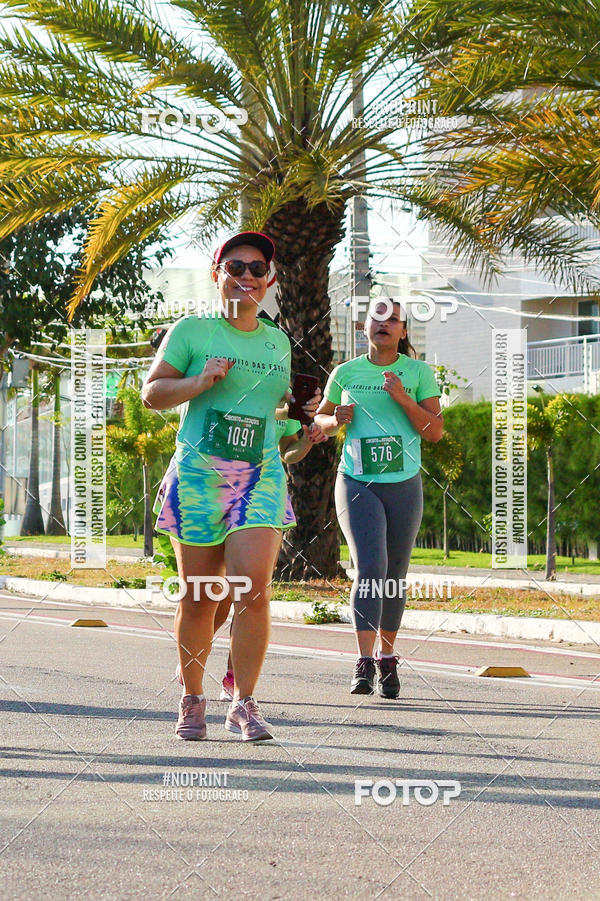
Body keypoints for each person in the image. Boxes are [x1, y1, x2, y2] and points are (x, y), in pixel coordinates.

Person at [142, 230, 320, 741]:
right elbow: (153, 392)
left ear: (271, 279)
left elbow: (272, 417)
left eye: (257, 268)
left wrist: (298, 425)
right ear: (216, 275)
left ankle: (243, 703)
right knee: (199, 597)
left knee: (253, 591)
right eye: (235, 267)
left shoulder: (277, 341)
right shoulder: (192, 331)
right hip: (199, 476)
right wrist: (200, 381)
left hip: (259, 476)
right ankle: (192, 697)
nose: (246, 276)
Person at [315, 299, 443, 698]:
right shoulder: (346, 372)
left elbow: (434, 431)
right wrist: (336, 419)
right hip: (356, 481)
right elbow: (319, 420)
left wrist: (403, 397)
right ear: (364, 327)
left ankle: (388, 659)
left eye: (393, 320)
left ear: (404, 331)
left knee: (395, 575)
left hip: (403, 483)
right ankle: (364, 661)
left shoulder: (419, 372)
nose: (384, 325)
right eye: (377, 318)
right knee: (370, 568)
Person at [193, 416, 328, 700]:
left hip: (258, 498)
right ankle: (193, 656)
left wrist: (305, 441)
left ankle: (235, 680)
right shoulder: (227, 383)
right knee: (214, 595)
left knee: (248, 592)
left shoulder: (286, 404)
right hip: (210, 489)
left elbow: (287, 451)